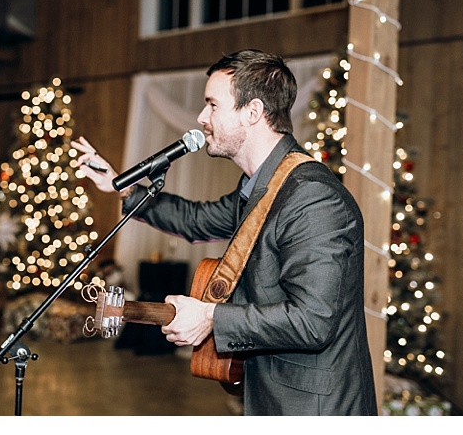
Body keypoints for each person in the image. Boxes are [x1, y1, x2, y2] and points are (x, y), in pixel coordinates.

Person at [72, 49, 376, 415]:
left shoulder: (312, 197)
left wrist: (210, 317)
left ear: (253, 112)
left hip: (314, 408)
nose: (201, 118)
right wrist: (125, 188)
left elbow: (312, 321)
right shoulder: (260, 186)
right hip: (270, 396)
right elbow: (195, 220)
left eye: (213, 105)